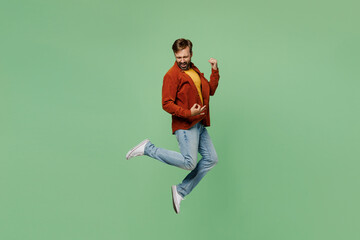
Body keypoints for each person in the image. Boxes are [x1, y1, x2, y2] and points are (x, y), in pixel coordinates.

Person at [126, 38, 220, 214]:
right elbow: (166, 103)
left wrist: (214, 70)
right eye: (179, 57)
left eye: (185, 56)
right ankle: (148, 148)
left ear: (191, 54)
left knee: (211, 159)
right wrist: (187, 113)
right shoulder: (171, 75)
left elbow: (210, 91)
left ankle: (181, 190)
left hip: (199, 124)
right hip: (185, 126)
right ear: (175, 56)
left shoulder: (194, 70)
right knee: (189, 163)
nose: (182, 61)